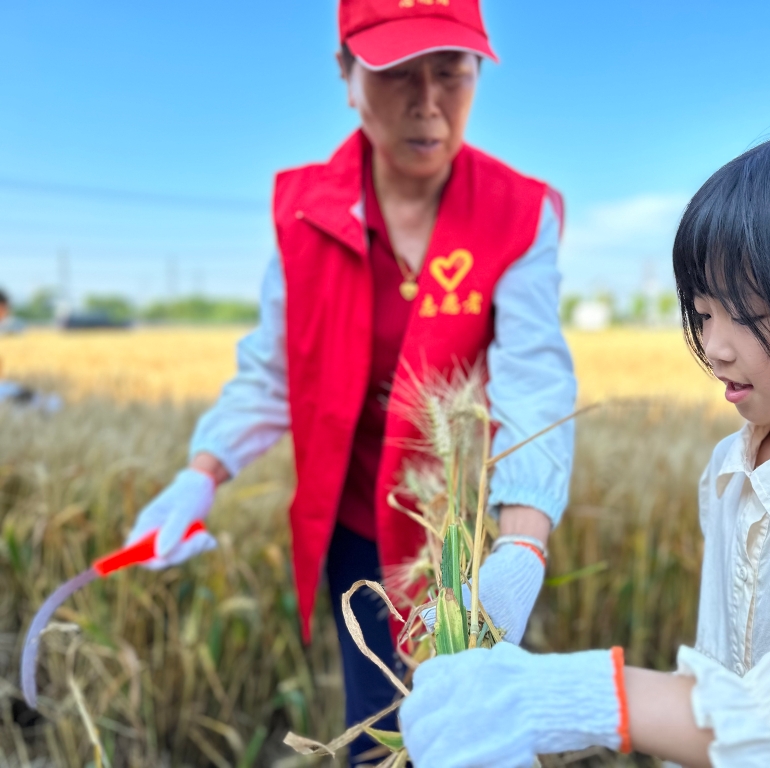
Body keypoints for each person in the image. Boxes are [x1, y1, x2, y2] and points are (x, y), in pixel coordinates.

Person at [398, 123, 770, 768]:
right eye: (703, 311)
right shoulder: (727, 469)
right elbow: (724, 674)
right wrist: (518, 553)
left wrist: (586, 700)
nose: (714, 347)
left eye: (744, 313)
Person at [124, 1, 576, 763]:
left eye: (452, 72)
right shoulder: (305, 212)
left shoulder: (517, 214)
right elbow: (273, 370)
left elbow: (534, 384)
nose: (427, 102)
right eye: (397, 72)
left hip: (462, 539)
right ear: (345, 76)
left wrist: (521, 547)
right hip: (358, 526)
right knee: (379, 721)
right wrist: (199, 476)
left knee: (465, 731)